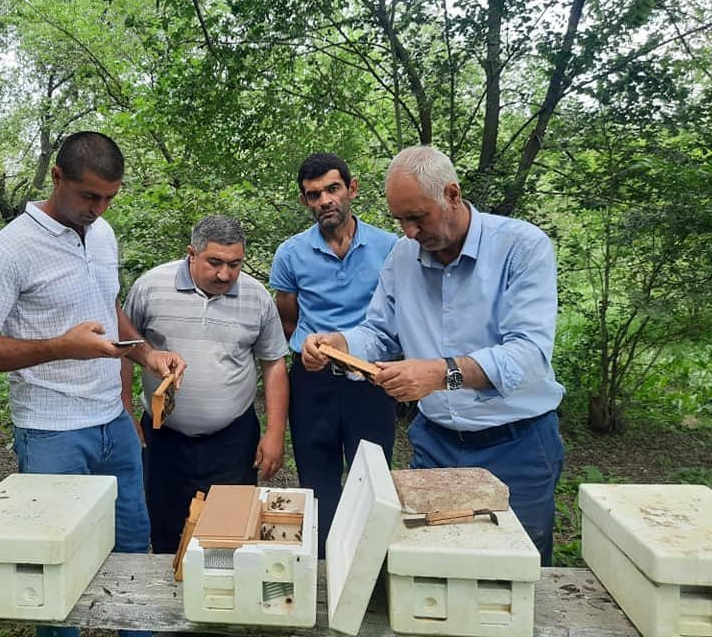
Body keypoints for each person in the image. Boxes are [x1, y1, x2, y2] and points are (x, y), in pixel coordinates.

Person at [0, 131, 185, 637]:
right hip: (51, 431)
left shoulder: (102, 234)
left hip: (113, 424)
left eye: (109, 198)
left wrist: (146, 353)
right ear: (57, 178)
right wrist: (58, 346)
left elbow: (108, 307)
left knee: (131, 548)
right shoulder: (10, 249)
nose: (99, 209)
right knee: (55, 567)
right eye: (89, 196)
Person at [301, 145, 565, 566]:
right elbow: (379, 333)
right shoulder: (402, 256)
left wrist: (442, 375)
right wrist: (341, 345)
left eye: (417, 217)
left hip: (517, 444)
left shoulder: (521, 247)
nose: (408, 232)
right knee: (435, 564)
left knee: (516, 569)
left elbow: (529, 355)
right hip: (435, 443)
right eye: (399, 220)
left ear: (452, 195)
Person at [122, 215, 289, 554]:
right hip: (163, 436)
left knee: (230, 534)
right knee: (166, 528)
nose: (225, 274)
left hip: (232, 439)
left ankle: (224, 598)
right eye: (215, 262)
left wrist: (274, 434)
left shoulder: (256, 298)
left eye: (234, 264)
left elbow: (274, 364)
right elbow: (124, 352)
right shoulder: (150, 287)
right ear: (191, 254)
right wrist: (125, 411)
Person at [269, 153, 398, 555]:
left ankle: (366, 564)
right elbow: (288, 318)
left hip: (371, 378)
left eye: (332, 189)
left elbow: (398, 314)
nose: (324, 200)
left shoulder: (390, 248)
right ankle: (323, 568)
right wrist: (310, 349)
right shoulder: (291, 254)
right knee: (317, 477)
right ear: (305, 201)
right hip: (312, 379)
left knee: (372, 478)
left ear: (351, 189)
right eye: (313, 194)